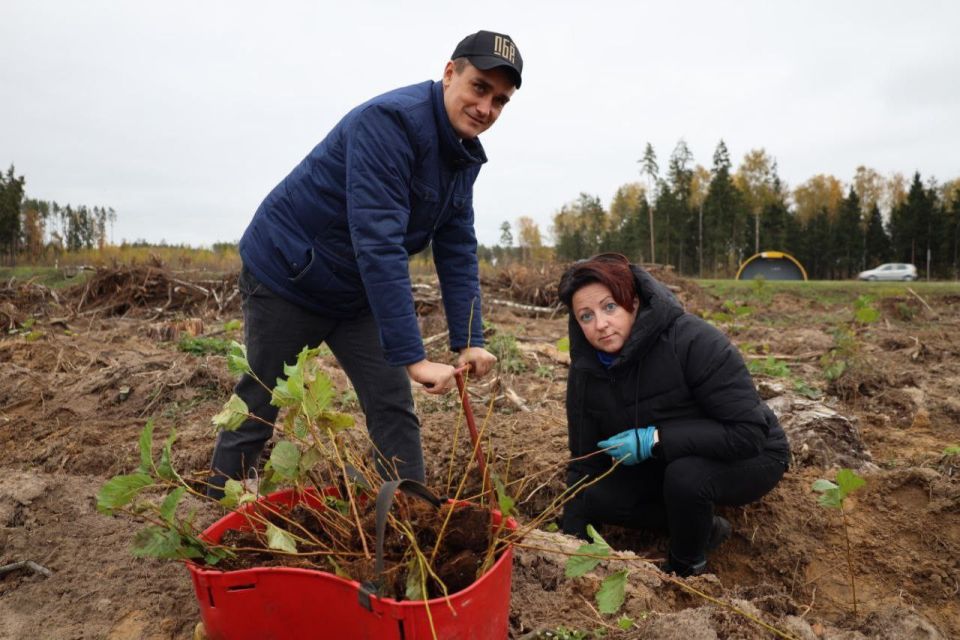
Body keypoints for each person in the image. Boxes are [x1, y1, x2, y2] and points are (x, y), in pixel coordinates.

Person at [207, 30, 523, 497]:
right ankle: (220, 510)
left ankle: (408, 516)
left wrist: (470, 339)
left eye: (500, 100)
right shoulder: (390, 124)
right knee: (261, 398)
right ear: (450, 73)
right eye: (479, 88)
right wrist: (414, 358)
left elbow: (457, 247)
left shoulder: (462, 156)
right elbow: (378, 242)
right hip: (288, 274)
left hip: (355, 292)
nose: (486, 108)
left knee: (392, 402)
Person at [558, 253, 790, 577]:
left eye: (609, 307)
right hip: (664, 459)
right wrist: (565, 552)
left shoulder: (693, 340)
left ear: (634, 302)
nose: (600, 324)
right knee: (592, 495)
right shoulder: (587, 373)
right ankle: (704, 528)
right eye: (586, 316)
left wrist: (654, 439)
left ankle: (685, 567)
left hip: (753, 454)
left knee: (687, 477)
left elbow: (748, 433)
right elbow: (586, 463)